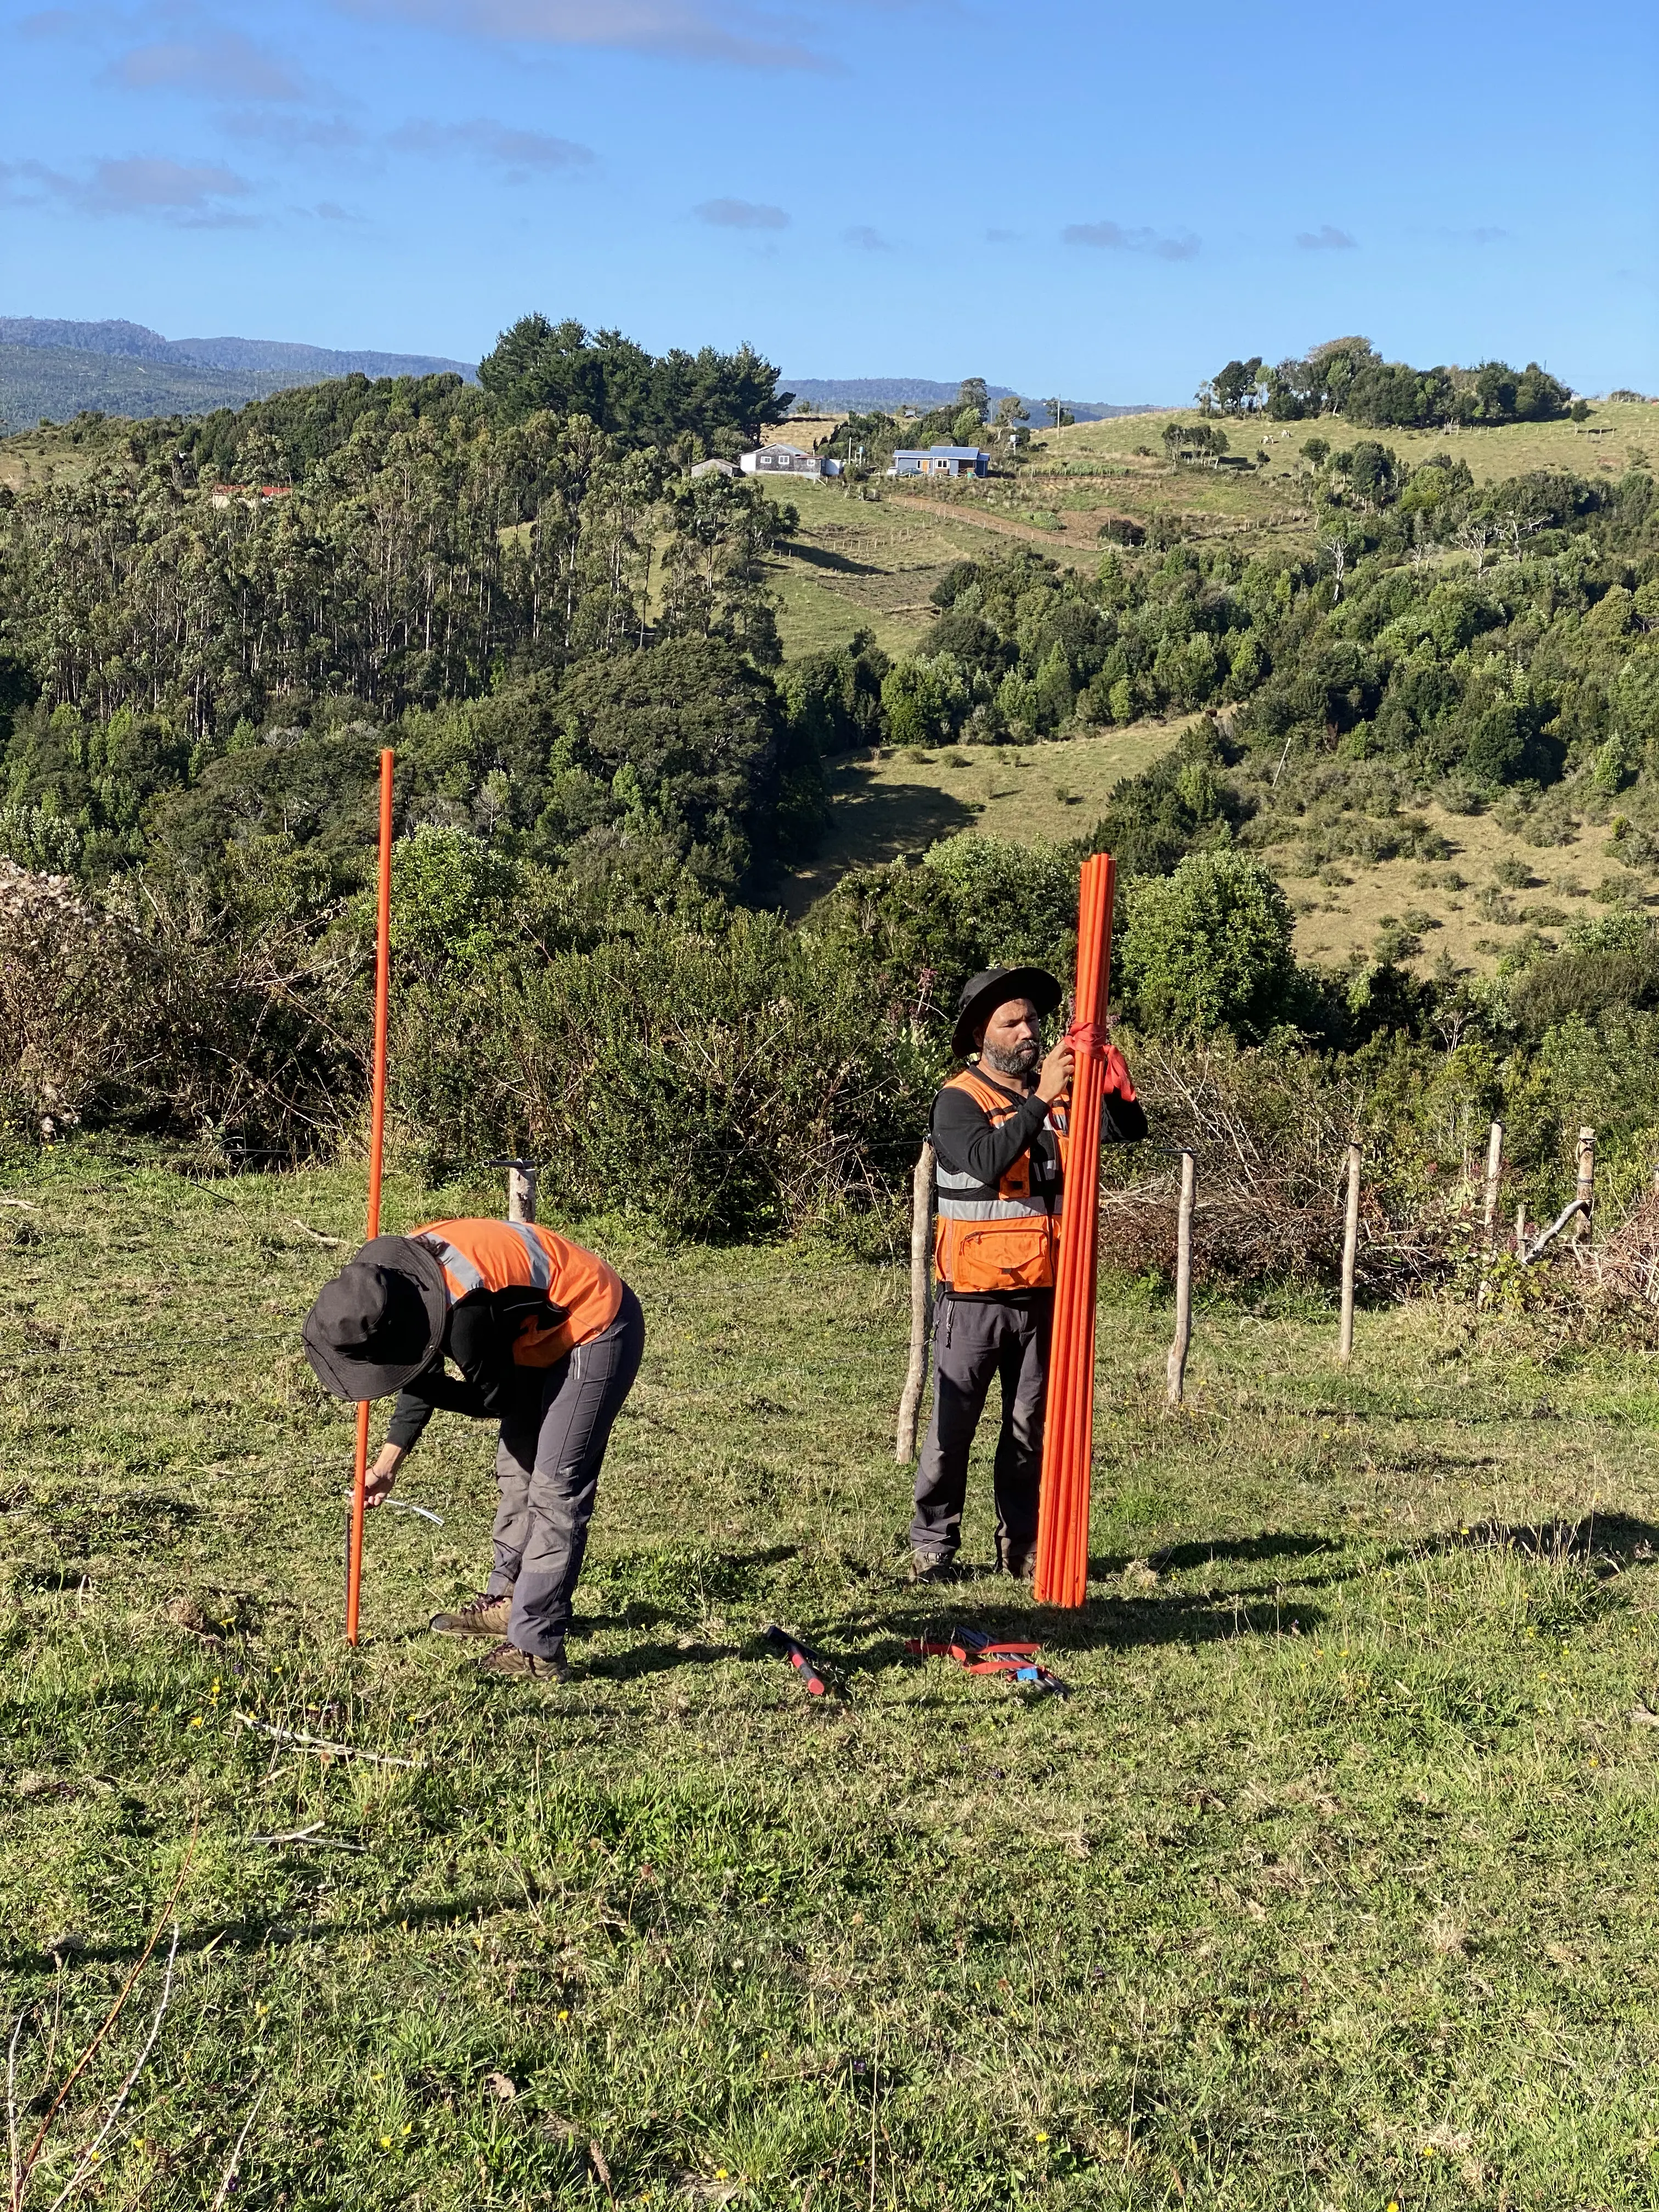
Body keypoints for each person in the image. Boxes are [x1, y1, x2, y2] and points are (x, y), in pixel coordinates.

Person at [302, 1217, 644, 1682]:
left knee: (554, 1489)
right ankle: (508, 1601)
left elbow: (496, 1401)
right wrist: (387, 1465)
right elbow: (418, 1367)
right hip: (527, 1330)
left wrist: (432, 1386)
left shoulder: (465, 1316)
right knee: (517, 1469)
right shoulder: (395, 1281)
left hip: (595, 1323)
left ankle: (537, 1648)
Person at [909, 966, 1146, 1583]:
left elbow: (1130, 1132)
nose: (1028, 1031)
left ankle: (1023, 1550)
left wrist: (1111, 1081)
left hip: (1047, 1294)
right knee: (950, 1430)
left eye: (1034, 1020)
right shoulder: (959, 1099)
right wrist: (1043, 1096)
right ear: (980, 1036)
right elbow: (987, 1160)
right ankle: (933, 1548)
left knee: (1028, 1433)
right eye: (1012, 1022)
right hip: (972, 1296)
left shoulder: (1063, 1095)